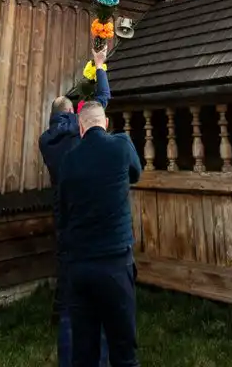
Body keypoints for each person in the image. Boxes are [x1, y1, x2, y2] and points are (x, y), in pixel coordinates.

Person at [39, 49, 110, 367]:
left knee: (70, 301)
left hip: (63, 219)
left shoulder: (46, 141)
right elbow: (102, 102)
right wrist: (98, 65)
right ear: (73, 113)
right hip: (91, 222)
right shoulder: (79, 132)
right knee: (100, 302)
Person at [59, 100, 142, 367]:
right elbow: (136, 173)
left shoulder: (69, 160)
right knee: (123, 350)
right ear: (105, 124)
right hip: (115, 263)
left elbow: (63, 210)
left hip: (80, 266)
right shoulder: (120, 145)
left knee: (84, 352)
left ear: (81, 128)